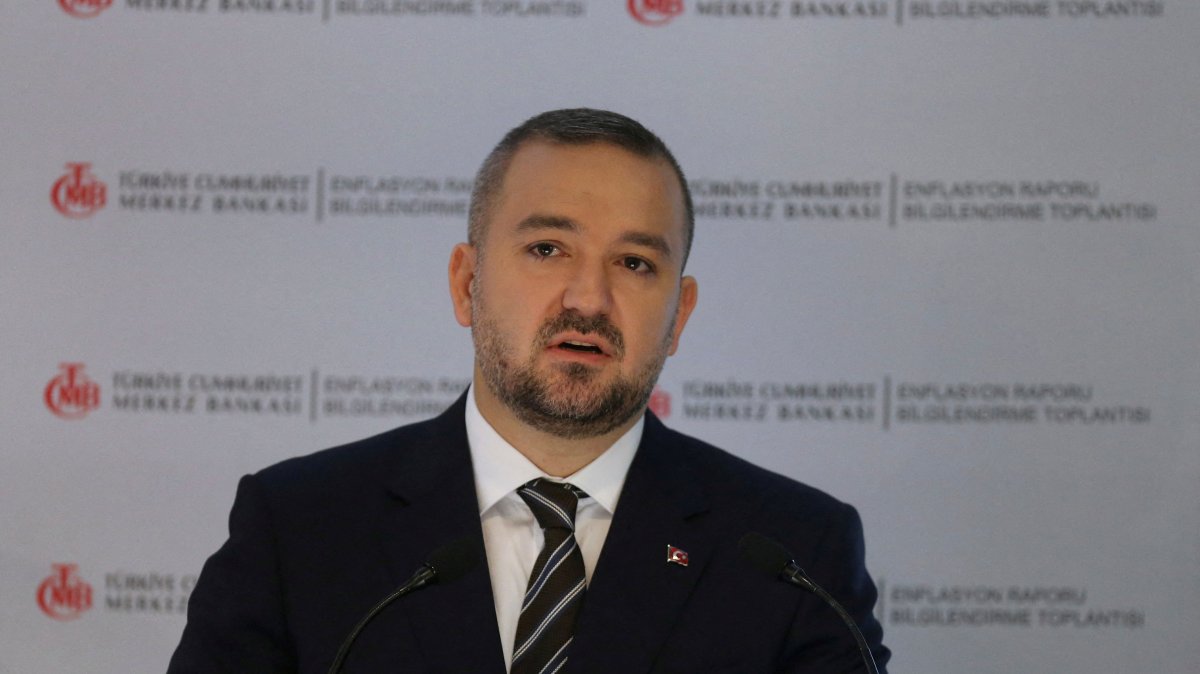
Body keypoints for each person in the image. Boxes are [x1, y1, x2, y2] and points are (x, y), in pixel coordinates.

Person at [168, 108, 890, 673]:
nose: (590, 297)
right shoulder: (301, 529)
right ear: (466, 282)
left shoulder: (793, 554)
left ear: (680, 315)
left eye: (636, 263)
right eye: (548, 249)